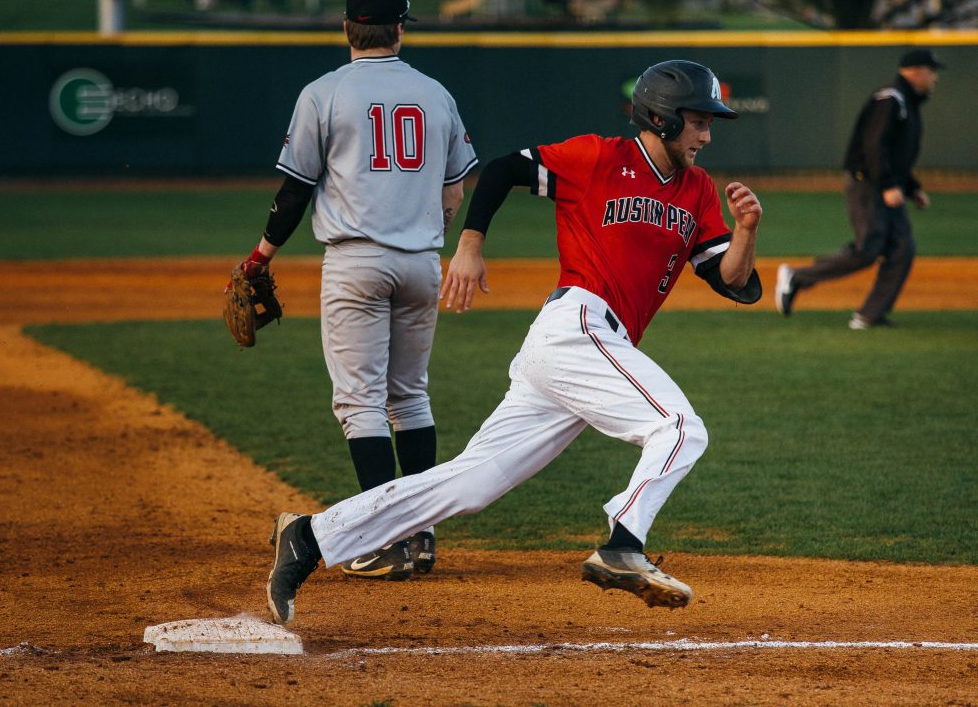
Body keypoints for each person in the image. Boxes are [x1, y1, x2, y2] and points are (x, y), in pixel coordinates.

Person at [266, 59, 763, 624]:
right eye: (699, 121)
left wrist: (745, 232)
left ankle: (310, 536)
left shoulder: (697, 191)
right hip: (578, 327)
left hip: (580, 349)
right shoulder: (599, 157)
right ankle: (624, 544)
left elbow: (732, 281)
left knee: (472, 484)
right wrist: (470, 244)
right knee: (679, 427)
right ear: (663, 117)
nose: (707, 134)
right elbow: (503, 169)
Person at [232, 0, 478, 581]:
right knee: (410, 397)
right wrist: (431, 229)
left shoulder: (323, 93)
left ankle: (382, 539)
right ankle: (420, 535)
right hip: (422, 263)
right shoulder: (435, 93)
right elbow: (456, 185)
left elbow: (295, 190)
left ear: (346, 28)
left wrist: (260, 256)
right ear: (401, 28)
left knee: (360, 403)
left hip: (355, 263)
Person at [775, 48, 943, 329]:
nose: (934, 78)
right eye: (931, 71)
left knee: (902, 249)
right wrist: (890, 185)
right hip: (869, 184)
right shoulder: (891, 99)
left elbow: (897, 154)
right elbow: (875, 145)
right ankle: (796, 278)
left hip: (886, 185)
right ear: (915, 71)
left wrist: (912, 187)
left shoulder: (906, 102)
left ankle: (870, 315)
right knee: (869, 249)